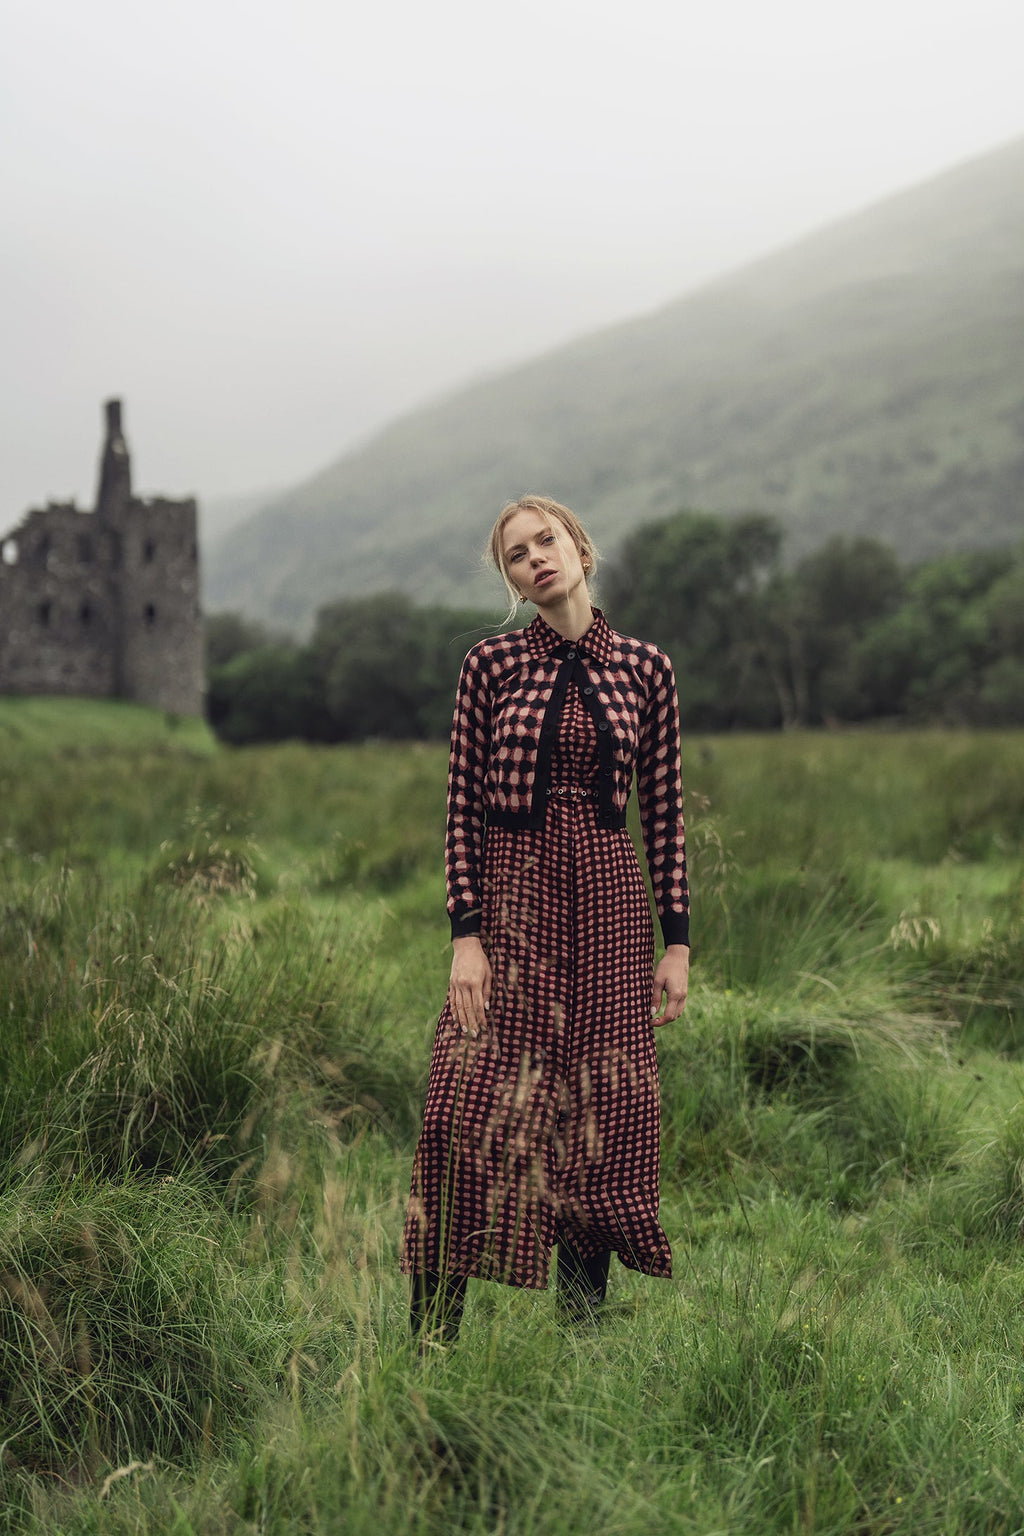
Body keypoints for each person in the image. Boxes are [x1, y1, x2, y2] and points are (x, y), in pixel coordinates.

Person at [401, 495, 689, 1343]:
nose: (535, 558)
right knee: (462, 1104)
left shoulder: (646, 668)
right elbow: (460, 808)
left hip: (607, 902)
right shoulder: (489, 667)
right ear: (512, 581)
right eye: (516, 555)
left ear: (580, 548)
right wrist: (466, 935)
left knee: (599, 1114)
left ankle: (582, 1345)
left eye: (546, 541)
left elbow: (664, 814)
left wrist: (677, 942)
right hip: (513, 901)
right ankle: (430, 1342)